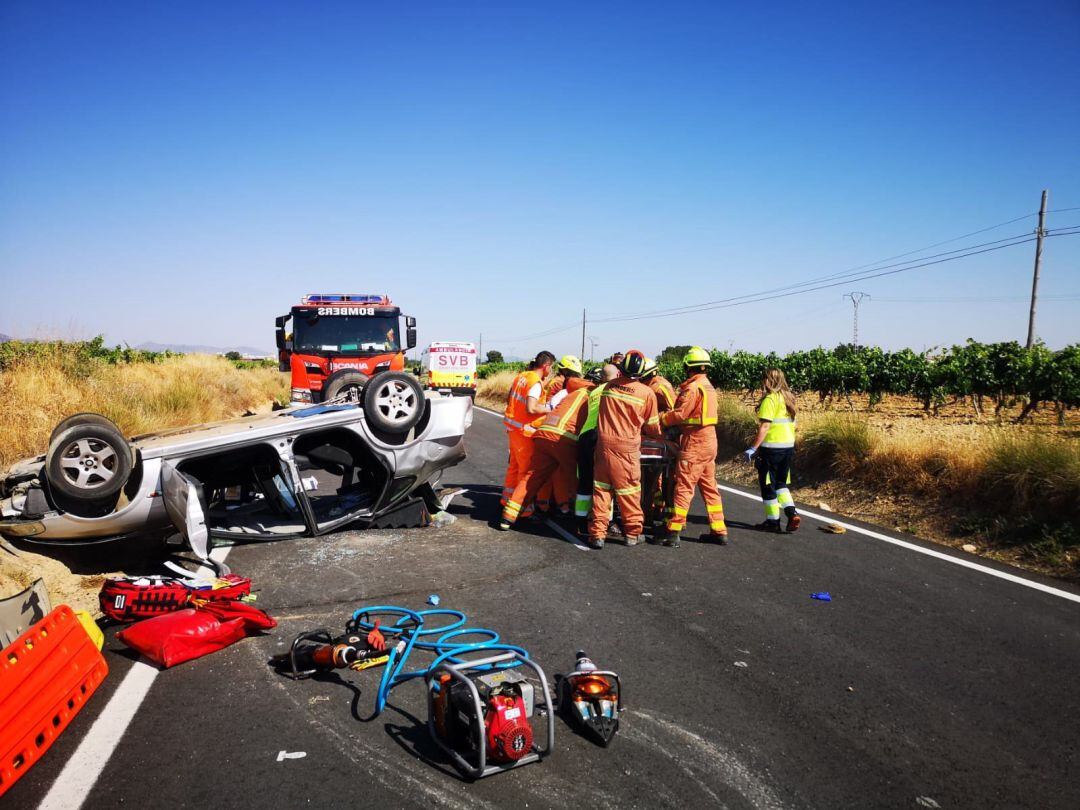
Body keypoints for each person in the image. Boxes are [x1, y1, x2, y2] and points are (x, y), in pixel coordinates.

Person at [499, 356, 592, 529]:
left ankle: (508, 516)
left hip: (540, 433)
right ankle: (578, 516)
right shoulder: (590, 394)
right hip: (558, 438)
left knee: (531, 475)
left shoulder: (562, 387)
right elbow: (532, 408)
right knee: (575, 478)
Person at [588, 350, 662, 549]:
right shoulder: (646, 393)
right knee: (629, 492)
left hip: (603, 447)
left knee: (602, 492)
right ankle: (632, 534)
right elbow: (653, 427)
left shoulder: (608, 387)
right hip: (626, 450)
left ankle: (597, 535)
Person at [660, 347, 727, 548]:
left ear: (688, 367)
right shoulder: (708, 386)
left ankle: (673, 532)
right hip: (709, 440)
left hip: (695, 440)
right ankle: (719, 530)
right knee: (709, 487)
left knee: (684, 486)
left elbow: (680, 414)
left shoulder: (692, 388)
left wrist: (662, 419)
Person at [743, 368, 800, 533]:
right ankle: (792, 512)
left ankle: (773, 521)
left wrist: (753, 448)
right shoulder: (789, 399)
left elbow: (765, 426)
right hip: (788, 448)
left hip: (771, 450)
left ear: (767, 381)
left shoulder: (770, 399)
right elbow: (794, 426)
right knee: (781, 484)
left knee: (768, 486)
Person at [501, 351, 556, 518]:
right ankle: (523, 510)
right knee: (525, 472)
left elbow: (510, 397)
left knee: (514, 467)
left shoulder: (522, 376)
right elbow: (531, 408)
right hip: (524, 431)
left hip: (512, 427)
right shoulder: (535, 383)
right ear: (546, 366)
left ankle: (506, 500)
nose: (551, 371)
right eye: (551, 367)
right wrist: (549, 409)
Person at [573, 364, 618, 533]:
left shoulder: (594, 392)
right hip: (600, 436)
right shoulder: (614, 391)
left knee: (584, 481)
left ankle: (579, 521)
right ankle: (608, 521)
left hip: (584, 436)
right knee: (605, 482)